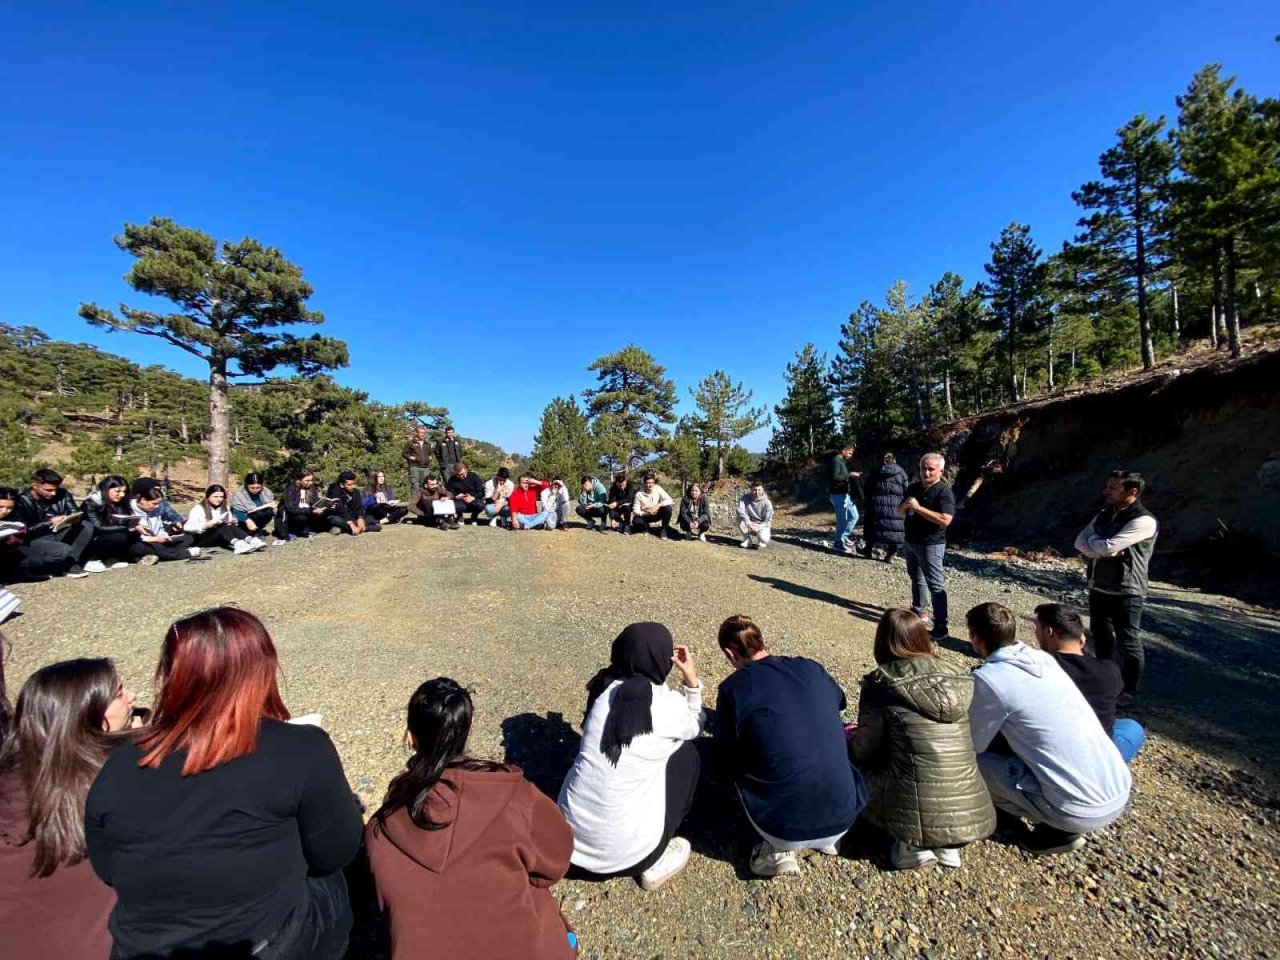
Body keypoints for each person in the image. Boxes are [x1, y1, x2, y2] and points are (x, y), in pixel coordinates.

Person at [85, 607, 364, 960]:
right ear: (261, 670)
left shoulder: (121, 762)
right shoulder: (302, 747)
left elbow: (108, 869)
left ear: (170, 675)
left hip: (139, 949)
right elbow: (334, 852)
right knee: (333, 873)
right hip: (263, 945)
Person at [366, 678, 577, 960]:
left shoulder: (381, 830)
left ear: (411, 737)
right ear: (468, 726)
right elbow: (556, 861)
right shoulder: (515, 796)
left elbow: (386, 904)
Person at [966, 602, 1132, 856]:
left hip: (1078, 810)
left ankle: (1047, 829)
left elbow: (974, 744)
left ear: (975, 639)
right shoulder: (1044, 660)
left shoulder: (990, 678)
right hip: (1118, 788)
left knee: (974, 762)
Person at [1, 658, 138, 960]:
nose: (132, 696)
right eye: (119, 693)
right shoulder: (118, 789)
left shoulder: (12, 791)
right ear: (87, 716)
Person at [714, 615, 863, 877]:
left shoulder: (733, 688)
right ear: (762, 641)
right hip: (845, 814)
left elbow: (724, 753)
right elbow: (839, 703)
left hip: (782, 825)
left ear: (729, 653)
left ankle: (776, 851)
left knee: (738, 760)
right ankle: (827, 839)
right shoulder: (810, 668)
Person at [558, 623, 703, 891]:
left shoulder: (603, 690)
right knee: (687, 754)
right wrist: (691, 681)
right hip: (624, 858)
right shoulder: (666, 704)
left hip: (566, 845)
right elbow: (696, 725)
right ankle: (655, 861)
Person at [848, 610, 995, 870]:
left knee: (853, 766)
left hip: (911, 802)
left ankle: (912, 847)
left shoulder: (882, 682)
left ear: (882, 642)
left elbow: (865, 750)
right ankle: (948, 845)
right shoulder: (957, 677)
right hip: (968, 806)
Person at [1073, 470, 1159, 706]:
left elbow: (1108, 547)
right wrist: (1099, 547)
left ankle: (1129, 690)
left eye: (1113, 488)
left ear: (1132, 492)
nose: (1106, 492)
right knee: (1101, 637)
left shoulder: (1144, 521)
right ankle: (1104, 682)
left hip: (1127, 590)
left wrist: (1098, 546)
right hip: (1099, 586)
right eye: (1108, 486)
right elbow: (1081, 542)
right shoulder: (1105, 514)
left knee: (1128, 641)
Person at [1034, 603, 1145, 763]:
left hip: (1056, 752)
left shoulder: (1040, 668)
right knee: (1132, 727)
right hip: (1098, 754)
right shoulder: (1109, 670)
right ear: (1080, 637)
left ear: (1049, 631)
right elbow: (1118, 699)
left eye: (1037, 628)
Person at [898, 453, 955, 640]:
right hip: (911, 541)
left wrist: (918, 508)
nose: (926, 472)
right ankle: (919, 611)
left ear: (941, 471)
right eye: (923, 468)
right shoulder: (913, 488)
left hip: (931, 544)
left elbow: (945, 519)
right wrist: (905, 507)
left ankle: (941, 626)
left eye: (931, 469)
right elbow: (899, 511)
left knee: (935, 584)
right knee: (916, 577)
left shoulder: (943, 491)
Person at [14, 468, 93, 578]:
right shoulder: (21, 500)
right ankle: (54, 566)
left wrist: (75, 518)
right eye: (48, 490)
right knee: (64, 550)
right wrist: (49, 522)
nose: (53, 493)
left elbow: (75, 511)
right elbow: (23, 530)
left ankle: (69, 563)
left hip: (57, 532)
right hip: (33, 538)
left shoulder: (63, 494)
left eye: (55, 489)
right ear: (34, 485)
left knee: (86, 526)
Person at [1, 486, 79, 581]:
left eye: (9, 507)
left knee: (37, 560)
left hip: (14, 546)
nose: (5, 511)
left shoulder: (15, 514)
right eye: (1, 507)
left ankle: (20, 572)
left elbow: (25, 531)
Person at [129, 479, 200, 564]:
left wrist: (163, 535)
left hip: (158, 539)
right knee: (150, 547)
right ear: (143, 500)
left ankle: (160, 553)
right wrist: (154, 539)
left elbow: (160, 527)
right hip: (143, 542)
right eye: (154, 503)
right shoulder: (129, 509)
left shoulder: (156, 509)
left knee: (187, 538)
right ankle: (184, 553)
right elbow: (132, 536)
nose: (157, 506)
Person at [79, 476, 138, 572]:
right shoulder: (91, 502)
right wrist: (125, 527)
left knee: (131, 534)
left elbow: (120, 520)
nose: (122, 495)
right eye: (117, 491)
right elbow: (97, 526)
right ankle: (91, 560)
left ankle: (110, 558)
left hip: (107, 532)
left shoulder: (119, 502)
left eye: (124, 492)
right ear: (106, 489)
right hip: (91, 536)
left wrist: (131, 523)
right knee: (119, 536)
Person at [185, 485, 266, 554]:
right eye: (215, 496)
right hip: (202, 538)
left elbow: (229, 525)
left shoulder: (224, 507)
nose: (219, 499)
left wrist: (233, 521)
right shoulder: (198, 508)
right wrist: (205, 525)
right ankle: (237, 544)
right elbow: (187, 527)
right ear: (208, 496)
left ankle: (251, 540)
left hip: (220, 536)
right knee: (222, 526)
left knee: (227, 525)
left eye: (221, 497)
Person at [861, 453, 908, 562]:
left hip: (877, 503)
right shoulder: (901, 472)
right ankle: (890, 554)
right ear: (894, 460)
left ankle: (868, 550)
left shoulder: (876, 471)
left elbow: (867, 487)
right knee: (896, 529)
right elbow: (906, 489)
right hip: (896, 505)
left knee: (872, 526)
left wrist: (869, 500)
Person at [281, 469, 334, 539]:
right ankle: (296, 530)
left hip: (308, 513)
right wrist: (310, 510)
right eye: (307, 480)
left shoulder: (311, 488)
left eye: (311, 480)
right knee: (302, 519)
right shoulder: (290, 490)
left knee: (328, 512)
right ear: (298, 480)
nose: (310, 483)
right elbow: (291, 509)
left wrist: (324, 506)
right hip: (294, 516)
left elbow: (315, 502)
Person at [830, 443, 863, 555]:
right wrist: (850, 474)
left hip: (845, 495)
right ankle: (838, 543)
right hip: (838, 495)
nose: (850, 455)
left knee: (854, 516)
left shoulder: (843, 462)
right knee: (842, 520)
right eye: (849, 453)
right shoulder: (836, 461)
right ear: (843, 451)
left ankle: (844, 536)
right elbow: (836, 477)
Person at [230, 473, 278, 538]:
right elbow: (236, 512)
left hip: (258, 516)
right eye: (252, 488)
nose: (255, 490)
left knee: (269, 512)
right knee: (260, 513)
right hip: (243, 519)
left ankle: (257, 530)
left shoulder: (266, 492)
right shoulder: (239, 494)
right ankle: (246, 531)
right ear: (246, 485)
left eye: (258, 487)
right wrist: (247, 520)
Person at [630, 472, 674, 539]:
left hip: (656, 513)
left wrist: (658, 505)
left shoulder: (657, 488)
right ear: (644, 483)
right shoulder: (639, 494)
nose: (650, 485)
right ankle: (645, 526)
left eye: (652, 483)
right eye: (648, 483)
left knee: (668, 508)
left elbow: (670, 500)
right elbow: (635, 510)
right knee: (636, 522)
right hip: (645, 515)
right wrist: (646, 512)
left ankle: (663, 530)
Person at [737, 482, 774, 549]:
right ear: (751, 490)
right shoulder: (745, 497)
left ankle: (761, 541)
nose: (757, 492)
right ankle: (747, 540)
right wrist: (747, 521)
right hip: (749, 523)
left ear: (763, 490)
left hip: (761, 524)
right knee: (740, 518)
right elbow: (739, 509)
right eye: (754, 490)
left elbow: (768, 521)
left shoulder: (767, 503)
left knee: (764, 539)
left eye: (759, 490)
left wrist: (757, 528)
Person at [403, 425, 431, 495]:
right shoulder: (410, 443)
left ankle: (424, 501)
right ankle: (414, 502)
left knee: (425, 486)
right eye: (420, 432)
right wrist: (411, 457)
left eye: (423, 433)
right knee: (415, 487)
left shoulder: (427, 444)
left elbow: (430, 453)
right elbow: (404, 453)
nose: (422, 434)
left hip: (425, 467)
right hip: (415, 467)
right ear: (416, 433)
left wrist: (430, 458)